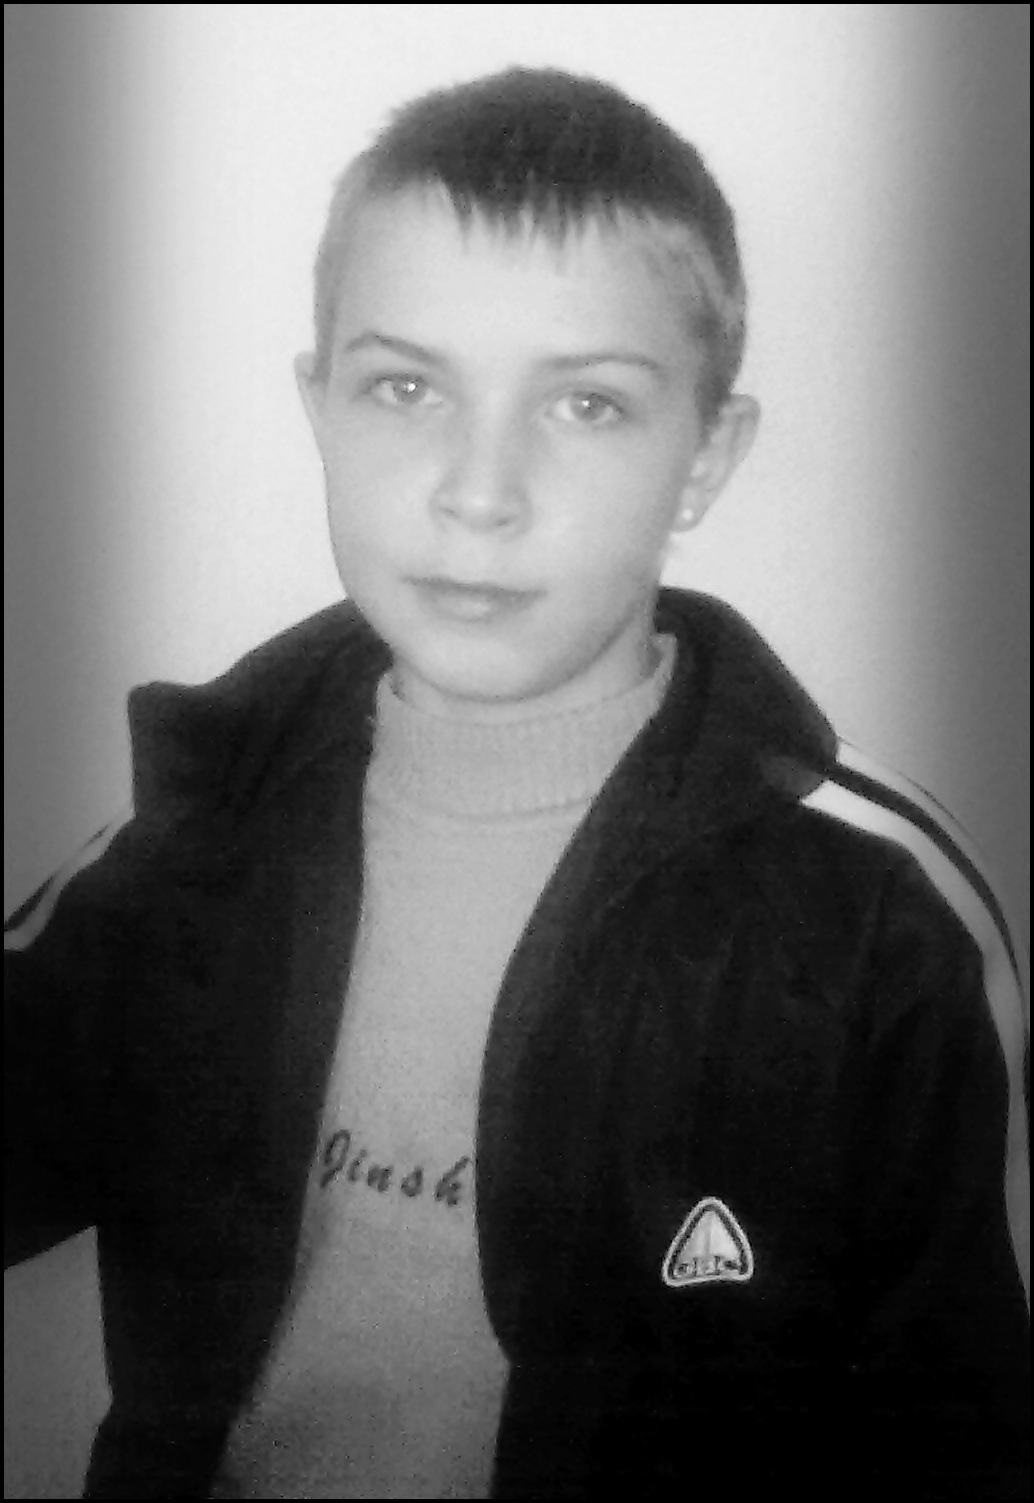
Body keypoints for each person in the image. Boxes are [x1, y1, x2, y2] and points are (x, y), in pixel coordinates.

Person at [4, 67, 1029, 1501]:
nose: (477, 492)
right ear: (319, 407)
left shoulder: (877, 918)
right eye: (406, 386)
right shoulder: (189, 835)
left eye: (588, 404)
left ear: (704, 458)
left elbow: (961, 1426)